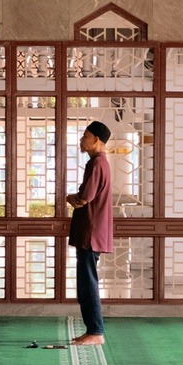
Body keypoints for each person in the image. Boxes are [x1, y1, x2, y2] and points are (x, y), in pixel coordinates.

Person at [65, 121, 113, 347]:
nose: (81, 140)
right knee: (86, 283)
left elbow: (84, 198)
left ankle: (96, 331)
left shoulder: (97, 164)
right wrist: (75, 199)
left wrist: (70, 198)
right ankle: (92, 330)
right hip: (90, 231)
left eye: (85, 136)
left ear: (96, 140)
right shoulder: (97, 163)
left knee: (88, 283)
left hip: (91, 232)